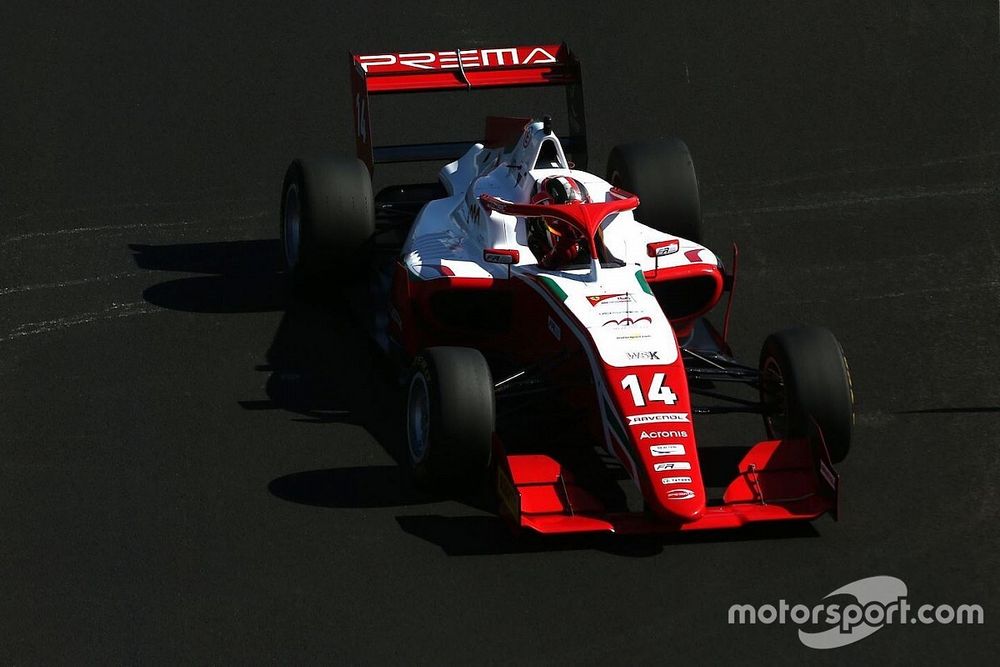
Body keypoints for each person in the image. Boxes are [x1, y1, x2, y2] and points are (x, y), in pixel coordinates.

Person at [527, 176, 591, 268]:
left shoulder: (592, 241)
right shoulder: (531, 247)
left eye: (578, 219)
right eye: (562, 223)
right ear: (539, 221)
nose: (572, 230)